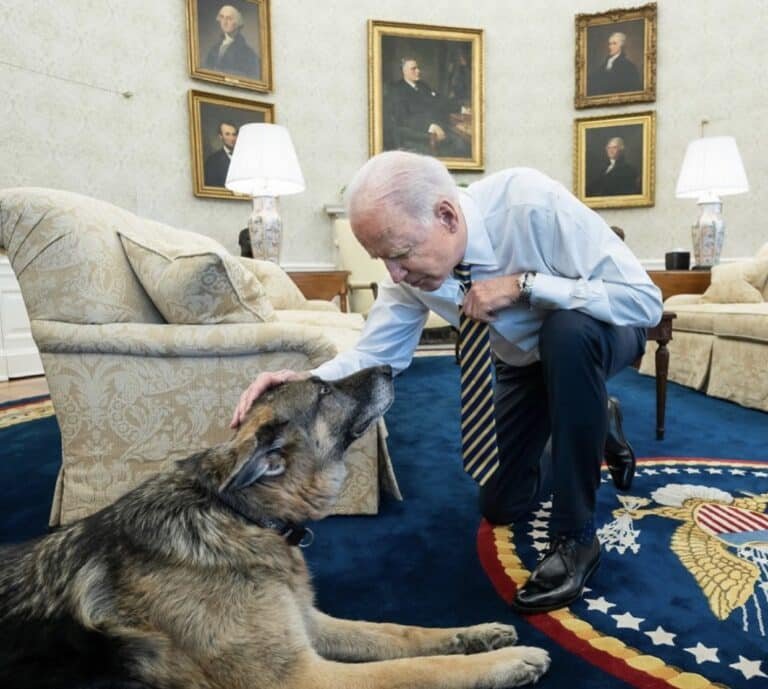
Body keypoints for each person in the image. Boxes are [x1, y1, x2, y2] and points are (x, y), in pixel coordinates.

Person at [231, 151, 662, 613]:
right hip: (524, 363)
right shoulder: (407, 274)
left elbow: (644, 302)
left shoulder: (531, 205)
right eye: (382, 259)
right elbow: (377, 355)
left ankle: (575, 538)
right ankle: (596, 419)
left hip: (599, 333)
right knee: (501, 504)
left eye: (400, 255)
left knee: (567, 332)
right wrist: (306, 380)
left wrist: (526, 285)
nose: (394, 274)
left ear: (447, 216)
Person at [387, 57, 467, 157]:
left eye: (418, 68)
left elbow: (439, 101)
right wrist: (430, 126)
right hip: (419, 136)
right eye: (413, 69)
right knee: (459, 146)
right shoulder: (397, 90)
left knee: (461, 142)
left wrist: (461, 108)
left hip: (438, 127)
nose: (418, 71)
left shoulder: (422, 85)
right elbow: (403, 119)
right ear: (404, 71)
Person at [204, 4, 261, 80]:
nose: (224, 22)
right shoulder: (214, 49)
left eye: (229, 19)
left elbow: (253, 78)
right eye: (222, 17)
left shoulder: (248, 53)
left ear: (237, 23)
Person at [588, 31, 641, 95]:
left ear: (621, 46)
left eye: (614, 43)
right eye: (610, 44)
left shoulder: (628, 66)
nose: (610, 47)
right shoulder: (606, 63)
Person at [204, 121, 238, 188]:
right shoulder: (212, 160)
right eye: (227, 134)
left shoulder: (244, 157)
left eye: (234, 134)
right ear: (220, 137)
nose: (232, 138)